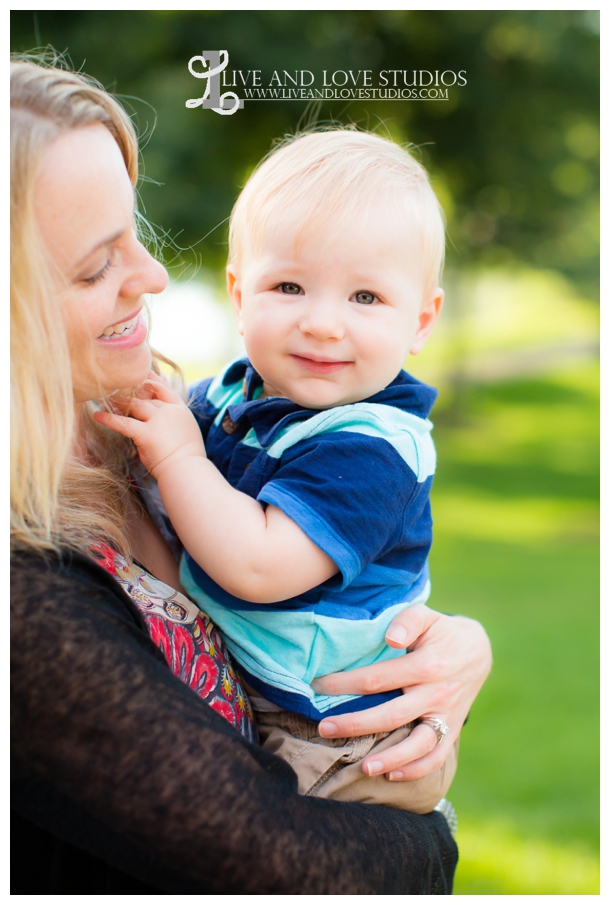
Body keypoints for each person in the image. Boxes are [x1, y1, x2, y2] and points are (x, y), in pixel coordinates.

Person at [11, 56, 492, 894]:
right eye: (96, 265)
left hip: (329, 718)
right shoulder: (29, 589)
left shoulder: (134, 421)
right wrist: (433, 836)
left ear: (423, 318)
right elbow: (282, 862)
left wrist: (453, 647)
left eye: (137, 230)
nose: (155, 274)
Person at [97, 130, 455, 813]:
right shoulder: (239, 394)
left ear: (422, 320)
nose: (322, 323)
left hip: (342, 733)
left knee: (274, 857)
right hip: (268, 688)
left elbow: (259, 565)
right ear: (239, 294)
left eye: (366, 298)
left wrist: (177, 454)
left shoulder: (376, 446)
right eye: (288, 285)